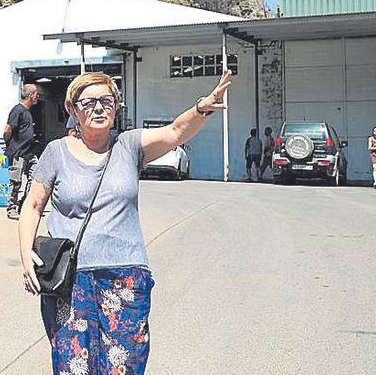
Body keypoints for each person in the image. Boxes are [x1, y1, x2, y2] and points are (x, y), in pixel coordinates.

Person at [18, 71, 232, 373]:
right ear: (72, 109)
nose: (98, 108)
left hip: (125, 277)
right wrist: (26, 252)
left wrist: (203, 106)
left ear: (117, 107)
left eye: (107, 100)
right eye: (89, 102)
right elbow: (33, 205)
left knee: (125, 364)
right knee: (73, 365)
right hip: (69, 281)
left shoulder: (129, 145)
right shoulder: (56, 152)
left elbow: (174, 132)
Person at [4, 84, 39, 219]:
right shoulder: (17, 110)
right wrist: (9, 145)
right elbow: (8, 130)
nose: (37, 97)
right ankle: (11, 209)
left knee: (35, 178)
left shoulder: (28, 111)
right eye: (36, 94)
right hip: (19, 153)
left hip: (30, 152)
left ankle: (24, 205)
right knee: (15, 181)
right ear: (30, 95)